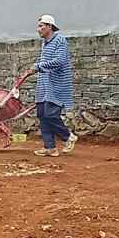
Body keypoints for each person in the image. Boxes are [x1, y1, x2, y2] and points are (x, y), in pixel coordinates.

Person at [21, 14, 78, 157]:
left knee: (51, 114)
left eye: (41, 26)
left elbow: (59, 61)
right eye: (38, 26)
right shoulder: (45, 43)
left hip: (57, 84)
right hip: (44, 85)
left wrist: (38, 66)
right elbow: (44, 65)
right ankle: (50, 147)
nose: (38, 29)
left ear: (50, 27)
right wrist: (34, 70)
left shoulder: (60, 40)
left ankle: (68, 136)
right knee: (42, 115)